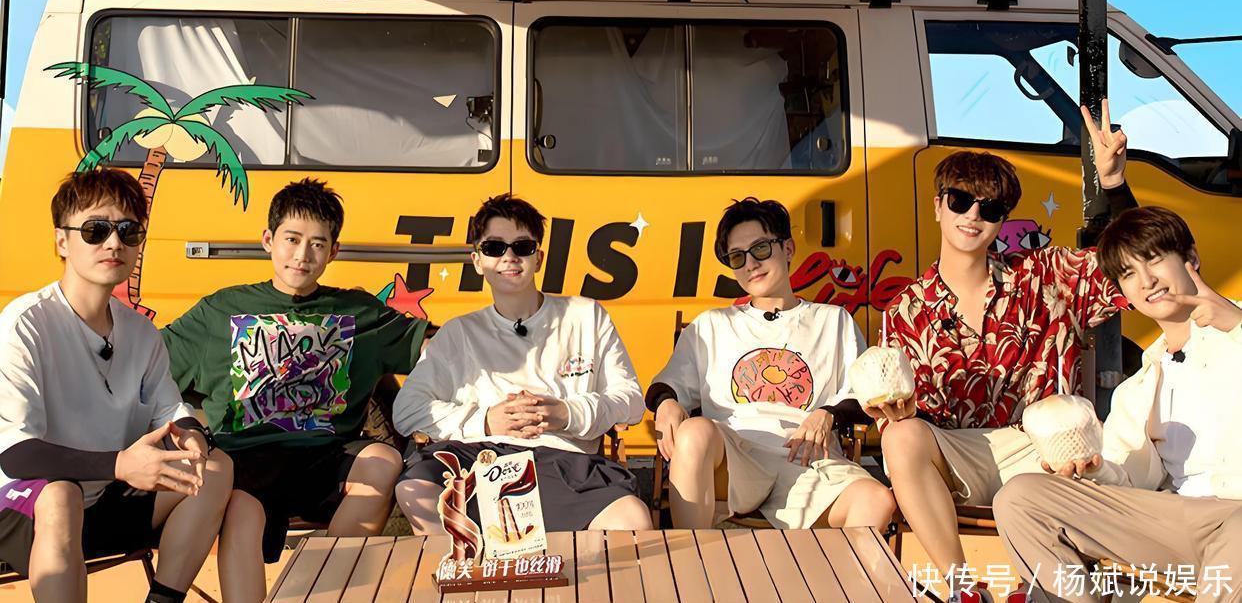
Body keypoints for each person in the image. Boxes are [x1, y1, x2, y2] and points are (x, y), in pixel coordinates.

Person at [867, 101, 1136, 597]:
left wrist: (1114, 184)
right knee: (900, 438)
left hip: (1041, 448)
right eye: (960, 201)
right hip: (957, 453)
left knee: (1066, 430)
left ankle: (1034, 586)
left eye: (989, 209)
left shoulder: (1046, 276)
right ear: (937, 206)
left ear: (1002, 220)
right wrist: (895, 413)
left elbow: (1135, 261)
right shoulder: (905, 308)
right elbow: (900, 415)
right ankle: (962, 587)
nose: (973, 216)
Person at [162, 178, 427, 600]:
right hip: (244, 460)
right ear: (268, 240)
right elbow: (148, 370)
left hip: (327, 457)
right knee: (241, 511)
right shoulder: (219, 310)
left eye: (318, 244)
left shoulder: (360, 313)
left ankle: (320, 591)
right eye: (292, 239)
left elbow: (435, 350)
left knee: (382, 461)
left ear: (333, 251)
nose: (303, 255)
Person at [0, 169, 234, 603]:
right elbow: (15, 454)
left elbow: (171, 410)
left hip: (104, 499)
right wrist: (122, 464)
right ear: (62, 241)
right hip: (21, 509)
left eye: (129, 231)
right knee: (60, 495)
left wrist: (192, 436)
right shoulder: (25, 323)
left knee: (216, 468)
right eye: (96, 230)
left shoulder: (141, 333)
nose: (114, 243)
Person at [994, 207, 1242, 603]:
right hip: (1180, 524)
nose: (1146, 281)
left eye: (1154, 259)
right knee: (1020, 497)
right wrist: (1095, 470)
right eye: (1128, 273)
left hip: (1238, 517)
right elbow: (1129, 482)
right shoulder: (1138, 388)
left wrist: (1236, 324)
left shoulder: (1236, 326)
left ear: (1191, 257)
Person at [393, 193, 651, 534]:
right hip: (478, 459)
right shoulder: (459, 332)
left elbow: (631, 401)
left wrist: (567, 413)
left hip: (565, 461)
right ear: (477, 260)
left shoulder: (586, 315)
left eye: (522, 247)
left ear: (538, 258)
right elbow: (406, 410)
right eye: (494, 247)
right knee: (415, 488)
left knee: (632, 520)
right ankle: (462, 568)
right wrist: (486, 421)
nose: (509, 257)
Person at [647, 197, 894, 529]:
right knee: (693, 432)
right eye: (738, 257)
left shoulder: (833, 321)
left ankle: (826, 567)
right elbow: (667, 385)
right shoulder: (712, 326)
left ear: (788, 249)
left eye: (760, 249)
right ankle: (693, 557)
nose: (751, 264)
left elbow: (862, 395)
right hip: (735, 457)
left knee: (877, 500)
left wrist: (828, 414)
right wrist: (666, 404)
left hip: (809, 460)